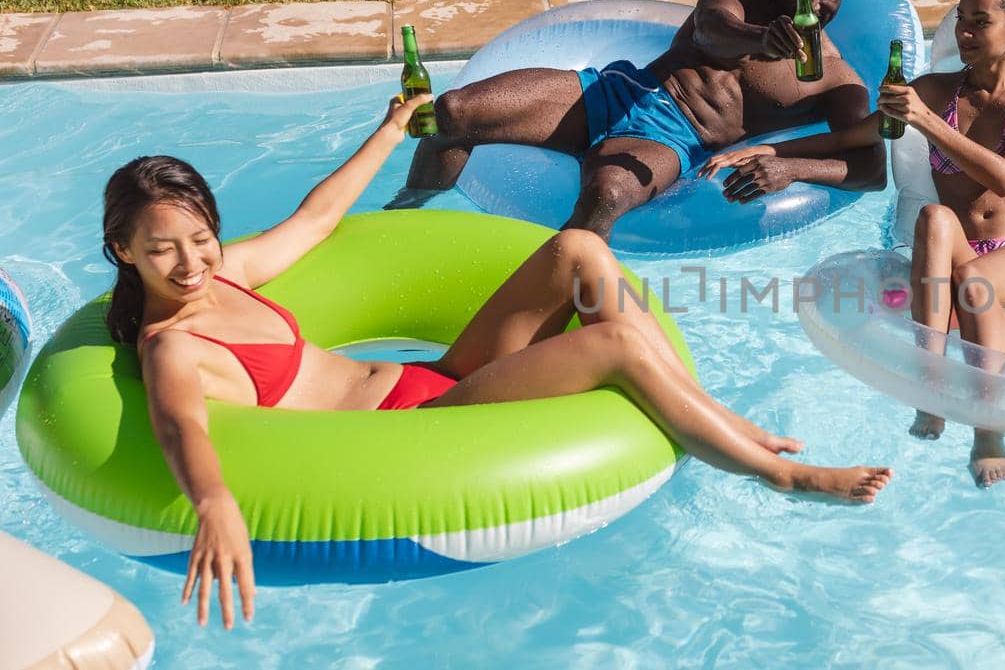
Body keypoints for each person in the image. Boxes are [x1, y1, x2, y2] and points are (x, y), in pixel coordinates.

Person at [103, 93, 892, 630]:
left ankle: (714, 414)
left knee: (580, 246)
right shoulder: (174, 342)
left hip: (433, 377)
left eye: (199, 237)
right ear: (123, 251)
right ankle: (779, 474)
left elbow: (314, 217)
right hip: (411, 428)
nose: (189, 261)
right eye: (162, 250)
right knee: (611, 343)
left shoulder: (224, 271)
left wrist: (389, 129)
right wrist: (213, 504)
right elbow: (181, 428)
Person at [706, 0, 1005, 488]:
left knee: (971, 284)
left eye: (980, 22)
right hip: (964, 247)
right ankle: (932, 386)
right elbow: (853, 138)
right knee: (933, 217)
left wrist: (925, 122)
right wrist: (772, 151)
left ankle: (988, 428)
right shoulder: (935, 91)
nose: (964, 33)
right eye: (960, 20)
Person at [392, 0, 885, 237]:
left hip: (677, 139)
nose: (815, 6)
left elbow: (870, 169)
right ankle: (404, 219)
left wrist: (791, 169)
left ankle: (539, 312)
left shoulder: (836, 80)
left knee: (606, 194)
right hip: (619, 90)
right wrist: (760, 37)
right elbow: (712, 28)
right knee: (452, 112)